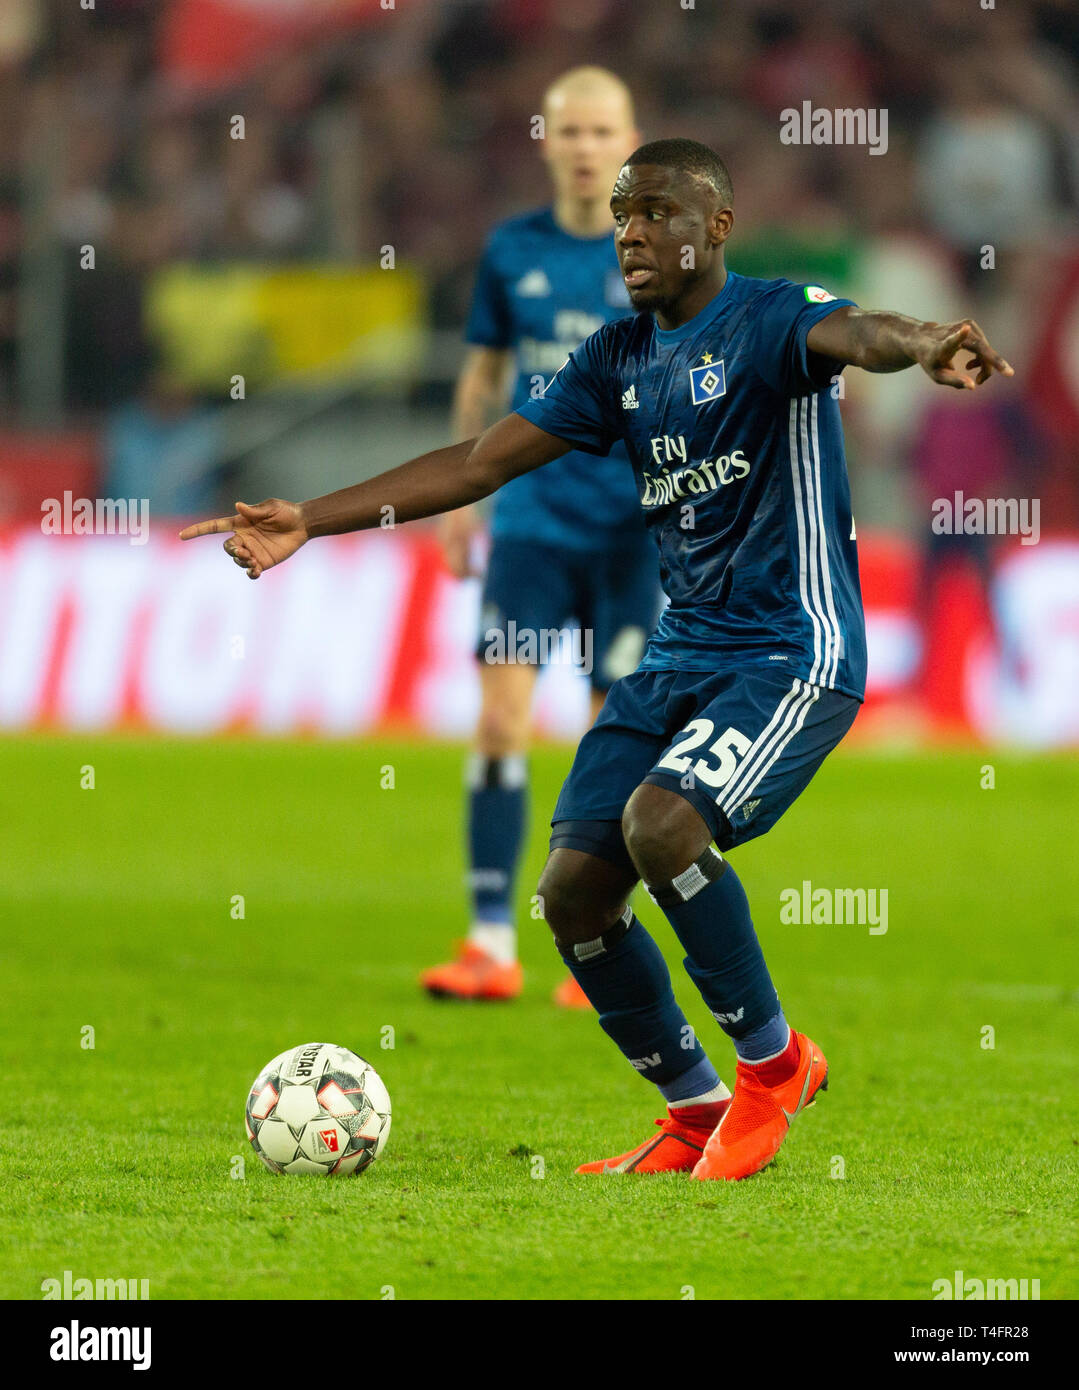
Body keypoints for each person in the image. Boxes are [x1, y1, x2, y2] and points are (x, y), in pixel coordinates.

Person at [181, 139, 1012, 1181]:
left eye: (654, 210)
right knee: (572, 890)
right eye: (621, 213)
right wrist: (311, 517)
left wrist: (927, 338)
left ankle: (772, 1067)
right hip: (680, 656)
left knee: (660, 825)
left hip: (790, 651)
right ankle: (692, 1105)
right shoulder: (616, 359)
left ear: (713, 226)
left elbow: (859, 331)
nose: (628, 230)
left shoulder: (769, 317)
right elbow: (480, 461)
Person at [428, 66, 659, 1008]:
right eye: (569, 132)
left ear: (630, 141)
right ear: (546, 141)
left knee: (614, 739)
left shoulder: (659, 257)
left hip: (631, 532)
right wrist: (456, 500)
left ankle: (600, 935)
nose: (585, 147)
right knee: (498, 721)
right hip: (528, 525)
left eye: (602, 131)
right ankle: (490, 940)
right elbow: (483, 378)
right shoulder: (510, 251)